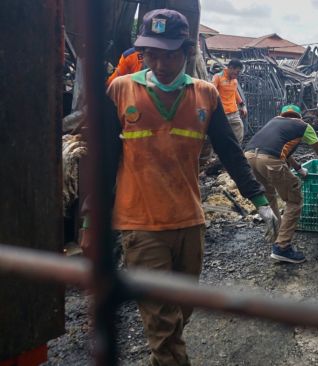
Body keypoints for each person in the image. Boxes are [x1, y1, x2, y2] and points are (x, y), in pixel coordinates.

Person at [87, 9, 279, 365]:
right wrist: (89, 220)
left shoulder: (205, 95)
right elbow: (101, 160)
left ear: (187, 53)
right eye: (150, 53)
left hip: (190, 222)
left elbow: (231, 152)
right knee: (162, 324)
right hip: (140, 226)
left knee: (179, 315)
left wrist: (260, 199)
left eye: (168, 53)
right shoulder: (120, 90)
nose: (159, 62)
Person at [244, 104, 318, 264]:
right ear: (299, 117)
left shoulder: (275, 121)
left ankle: (276, 234)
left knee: (269, 195)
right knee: (294, 200)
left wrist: (298, 168)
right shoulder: (303, 126)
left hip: (248, 157)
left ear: (284, 114)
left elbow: (283, 151)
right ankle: (282, 247)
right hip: (269, 160)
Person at [212, 59, 248, 144]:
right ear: (231, 68)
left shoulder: (234, 80)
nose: (237, 75)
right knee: (220, 136)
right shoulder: (218, 77)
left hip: (234, 113)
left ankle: (236, 152)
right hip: (221, 114)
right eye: (236, 72)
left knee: (239, 133)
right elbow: (211, 91)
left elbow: (235, 93)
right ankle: (216, 156)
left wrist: (243, 106)